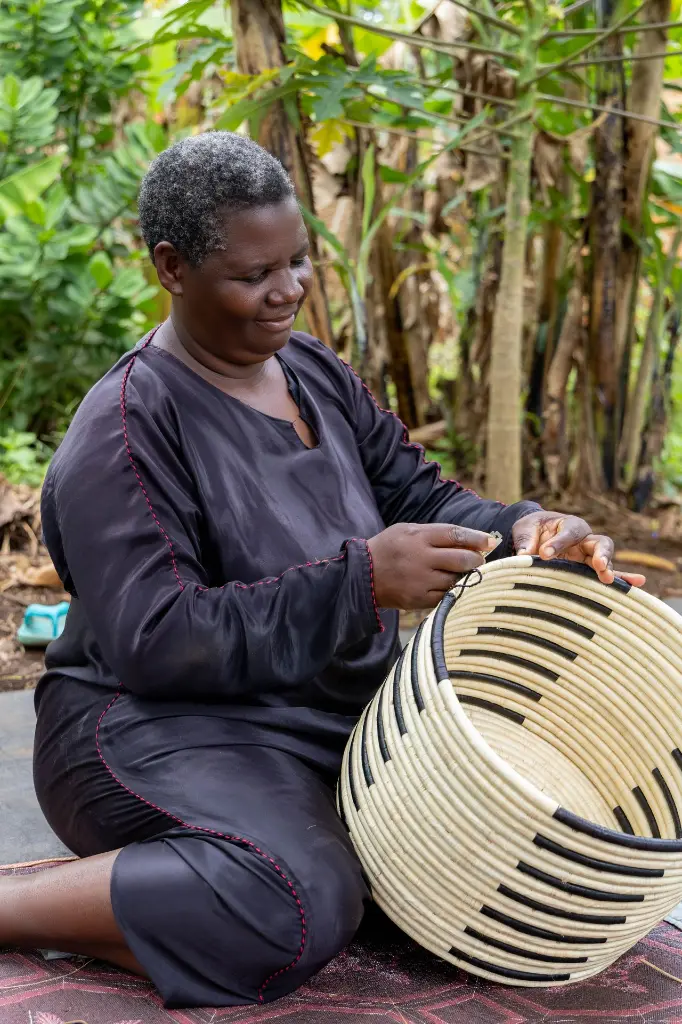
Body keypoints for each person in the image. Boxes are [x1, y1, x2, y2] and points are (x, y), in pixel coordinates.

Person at [3, 132, 642, 1010]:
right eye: (254, 273)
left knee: (508, 861)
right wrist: (359, 583)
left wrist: (530, 528)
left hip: (328, 721)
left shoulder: (313, 373)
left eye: (298, 260)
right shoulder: (125, 428)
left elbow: (421, 495)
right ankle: (14, 904)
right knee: (302, 899)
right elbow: (158, 642)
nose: (289, 290)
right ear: (171, 267)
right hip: (151, 728)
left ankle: (182, 901)